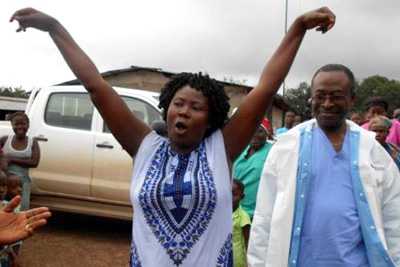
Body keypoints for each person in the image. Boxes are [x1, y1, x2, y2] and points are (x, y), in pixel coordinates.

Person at [10, 6, 335, 266]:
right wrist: (54, 28)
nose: (183, 112)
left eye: (196, 107)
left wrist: (297, 30)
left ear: (211, 120)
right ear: (166, 108)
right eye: (178, 104)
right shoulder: (144, 146)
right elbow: (96, 86)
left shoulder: (222, 148)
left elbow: (264, 89)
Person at [248, 64, 400, 266]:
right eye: (320, 96)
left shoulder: (373, 151)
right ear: (311, 98)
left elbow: (394, 218)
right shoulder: (286, 147)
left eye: (336, 96)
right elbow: (264, 217)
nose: (327, 104)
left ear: (352, 99)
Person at [0, 112, 40, 211]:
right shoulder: (5, 140)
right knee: (4, 210)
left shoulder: (33, 142)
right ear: (12, 125)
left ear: (28, 125)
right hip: (5, 183)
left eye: (23, 124)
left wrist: (10, 159)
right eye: (16, 124)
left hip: (22, 184)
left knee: (21, 210)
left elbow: (34, 162)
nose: (20, 127)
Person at [233, 121, 273, 219]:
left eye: (260, 131)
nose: (255, 134)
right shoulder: (241, 147)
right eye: (253, 130)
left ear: (267, 133)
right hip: (233, 209)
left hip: (254, 213)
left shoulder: (273, 150)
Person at [232, 180, 251, 267]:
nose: (231, 198)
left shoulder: (243, 216)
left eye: (234, 195)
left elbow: (248, 242)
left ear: (242, 196)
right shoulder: (221, 214)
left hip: (238, 261)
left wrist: (249, 262)